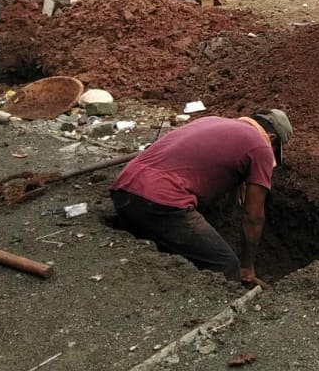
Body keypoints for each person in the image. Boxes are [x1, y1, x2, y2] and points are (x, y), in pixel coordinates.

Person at [109, 111, 293, 288]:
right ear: (272, 138)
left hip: (124, 191)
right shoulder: (261, 146)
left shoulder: (210, 121)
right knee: (226, 265)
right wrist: (246, 267)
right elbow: (253, 216)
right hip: (161, 202)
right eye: (274, 151)